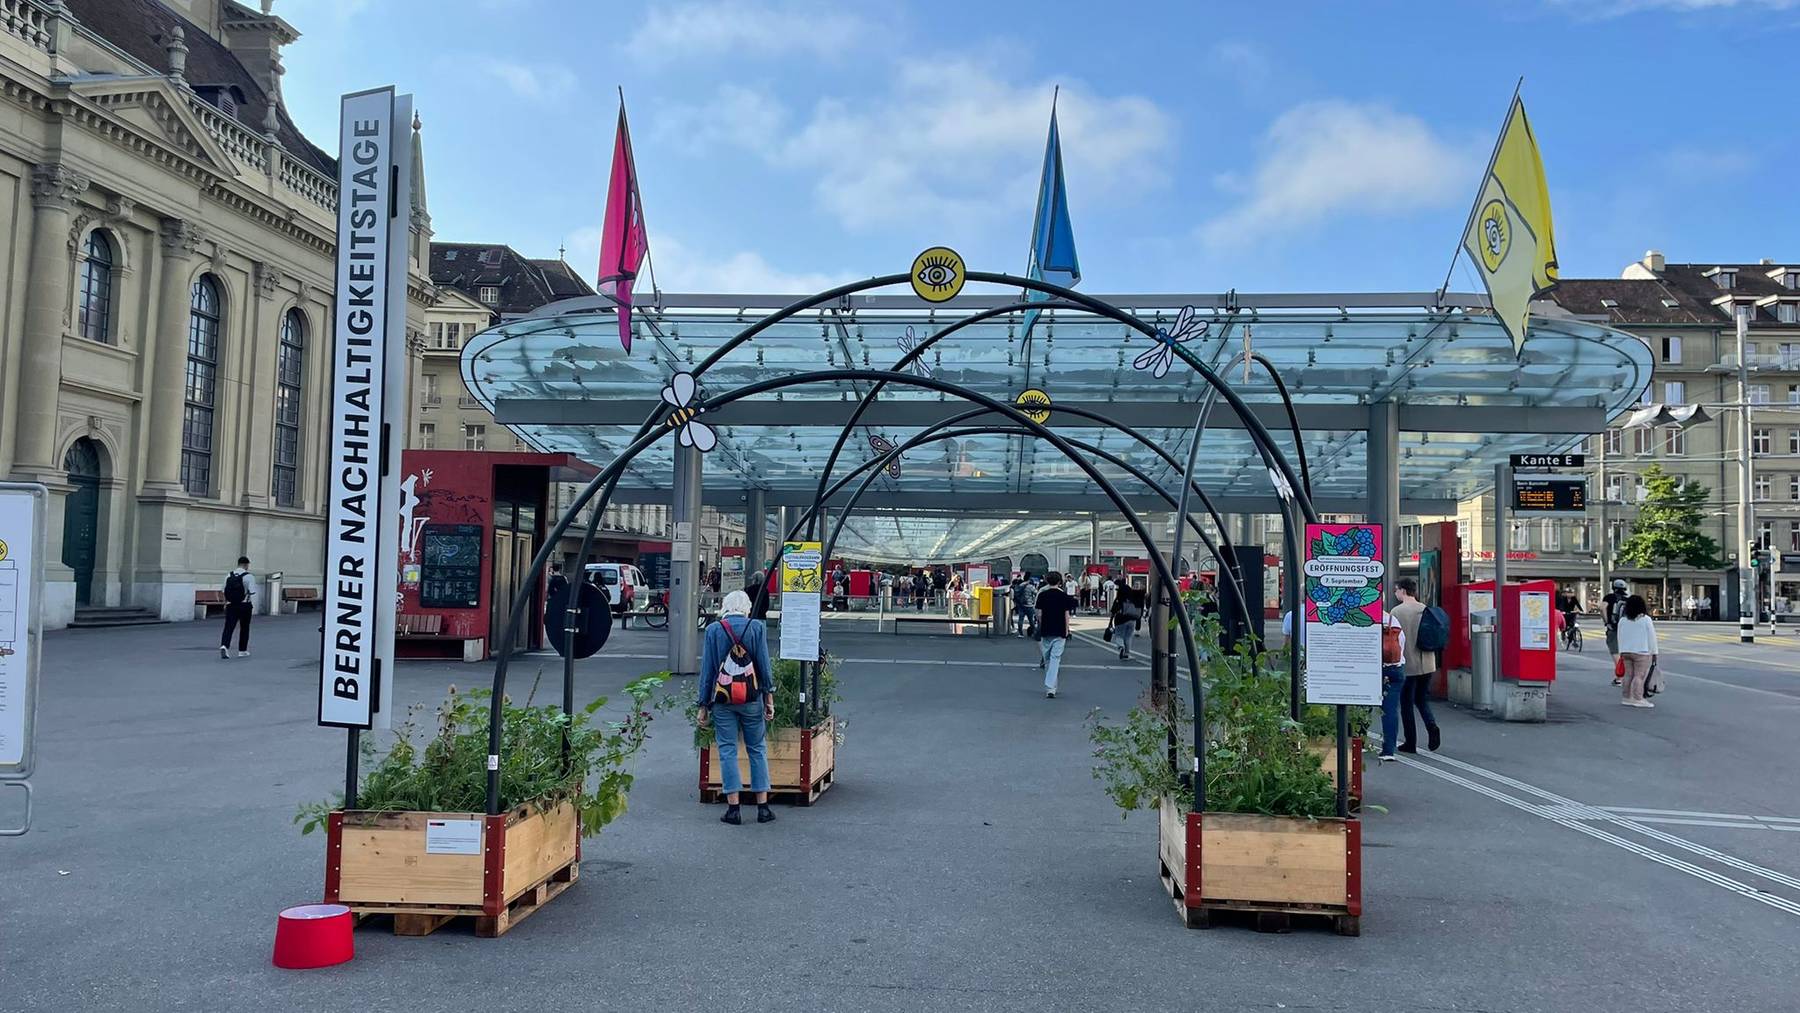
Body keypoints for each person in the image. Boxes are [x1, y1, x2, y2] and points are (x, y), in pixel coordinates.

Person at [696, 590, 778, 825]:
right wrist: (768, 698)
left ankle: (733, 809)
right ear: (746, 607)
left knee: (727, 750)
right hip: (751, 699)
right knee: (757, 749)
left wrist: (703, 704)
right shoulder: (756, 627)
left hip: (723, 700)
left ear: (725, 606)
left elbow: (709, 671)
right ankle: (763, 807)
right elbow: (763, 665)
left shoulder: (713, 630)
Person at [1390, 578, 1441, 753]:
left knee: (1406, 703)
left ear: (1403, 591)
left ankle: (1410, 742)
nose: (1395, 593)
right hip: (1427, 662)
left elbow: (1392, 638)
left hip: (1408, 664)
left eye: (1396, 590)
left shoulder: (1396, 612)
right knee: (1421, 699)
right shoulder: (1425, 609)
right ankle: (1432, 725)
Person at [1034, 571, 1078, 698]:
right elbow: (1066, 615)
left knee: (1047, 658)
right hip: (1059, 630)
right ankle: (1050, 687)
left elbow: (1039, 614)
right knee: (1055, 658)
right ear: (1060, 582)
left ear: (1047, 581)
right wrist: (1067, 629)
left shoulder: (1043, 595)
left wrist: (1042, 624)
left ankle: (1051, 687)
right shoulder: (1063, 596)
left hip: (1046, 629)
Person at [1616, 594, 1659, 708]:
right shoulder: (1645, 620)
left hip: (1625, 651)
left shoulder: (1623, 620)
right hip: (1641, 651)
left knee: (1628, 675)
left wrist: (1621, 650)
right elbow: (1652, 637)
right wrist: (1654, 652)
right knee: (1639, 676)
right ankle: (1638, 698)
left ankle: (1626, 697)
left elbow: (1619, 636)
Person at [1377, 609, 1407, 761]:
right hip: (1395, 668)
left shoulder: (1362, 619)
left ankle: (1359, 741)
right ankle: (1389, 750)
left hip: (1372, 670)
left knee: (1362, 705)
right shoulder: (1391, 620)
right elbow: (1401, 643)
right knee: (1390, 709)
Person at [219, 556, 257, 659]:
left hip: (231, 604)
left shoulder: (229, 575)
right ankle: (242, 650)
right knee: (244, 627)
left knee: (229, 627)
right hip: (245, 604)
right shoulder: (249, 576)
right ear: (246, 564)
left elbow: (223, 591)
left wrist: (225, 603)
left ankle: (224, 645)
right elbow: (252, 592)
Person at [1602, 579, 1628, 686]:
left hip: (1613, 628)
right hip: (1625, 629)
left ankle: (1619, 678)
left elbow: (1602, 608)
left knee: (1615, 653)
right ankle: (1627, 677)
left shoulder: (1609, 597)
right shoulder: (1627, 599)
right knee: (1624, 653)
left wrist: (1606, 621)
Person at [1109, 583, 1145, 661]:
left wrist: (1110, 621)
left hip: (1120, 619)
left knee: (1119, 635)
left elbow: (1113, 611)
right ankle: (1127, 653)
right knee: (1128, 637)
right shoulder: (1134, 598)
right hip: (1132, 619)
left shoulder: (1119, 599)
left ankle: (1121, 646)